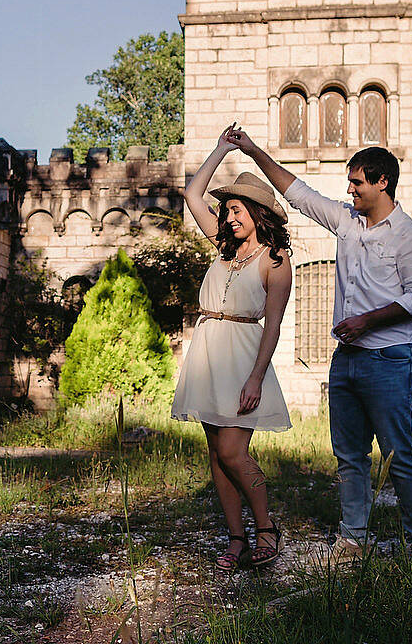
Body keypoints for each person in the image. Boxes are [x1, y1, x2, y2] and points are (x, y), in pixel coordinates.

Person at [228, 130, 412, 560]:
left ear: (382, 182)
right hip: (346, 360)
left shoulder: (410, 237)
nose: (349, 190)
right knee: (349, 455)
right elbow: (297, 193)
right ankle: (353, 539)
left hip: (390, 358)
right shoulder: (346, 221)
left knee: (399, 453)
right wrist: (251, 150)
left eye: (357, 182)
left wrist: (367, 321)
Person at [172, 126, 293, 571]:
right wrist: (222, 149)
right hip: (207, 356)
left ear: (258, 213)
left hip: (243, 359)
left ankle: (267, 529)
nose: (229, 217)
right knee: (215, 455)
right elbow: (192, 194)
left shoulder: (275, 260)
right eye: (226, 211)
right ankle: (236, 537)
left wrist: (256, 378)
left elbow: (273, 324)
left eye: (237, 210)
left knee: (233, 453)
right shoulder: (223, 248)